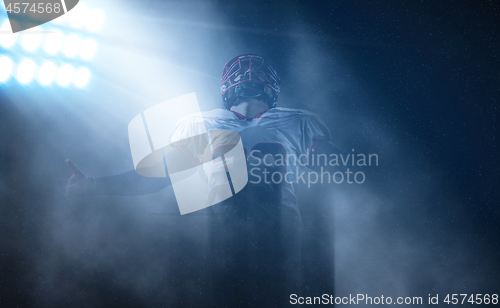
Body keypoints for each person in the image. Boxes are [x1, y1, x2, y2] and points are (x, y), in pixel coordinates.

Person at [64, 54, 340, 306]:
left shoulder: (214, 123)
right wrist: (94, 184)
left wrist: (94, 184)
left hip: (257, 245)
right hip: (253, 244)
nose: (249, 74)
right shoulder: (294, 123)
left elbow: (157, 175)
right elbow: (160, 174)